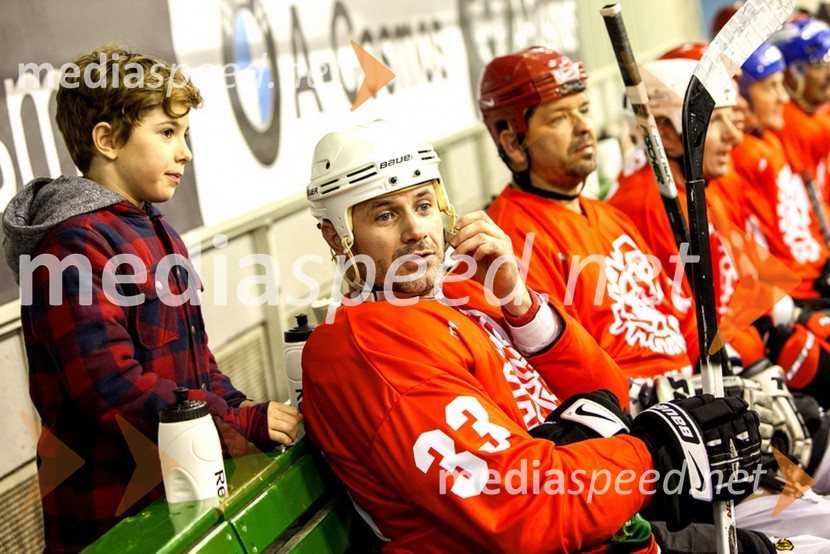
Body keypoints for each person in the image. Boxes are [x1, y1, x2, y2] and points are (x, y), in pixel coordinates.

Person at [299, 119, 766, 552]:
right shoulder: (365, 347)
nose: (417, 232)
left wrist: (520, 303)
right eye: (385, 216)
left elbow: (608, 392)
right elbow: (525, 504)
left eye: (423, 205)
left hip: (607, 526)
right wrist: (653, 456)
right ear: (335, 236)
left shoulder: (469, 289)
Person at [1, 45, 301, 551]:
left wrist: (242, 407)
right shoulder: (71, 246)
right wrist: (236, 423)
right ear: (107, 140)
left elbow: (196, 363)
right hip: (117, 519)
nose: (185, 151)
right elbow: (108, 387)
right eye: (167, 133)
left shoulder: (158, 230)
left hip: (186, 495)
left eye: (185, 134)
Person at [478, 46, 698, 398]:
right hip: (637, 422)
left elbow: (682, 314)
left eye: (584, 110)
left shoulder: (613, 218)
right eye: (560, 118)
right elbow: (560, 365)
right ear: (514, 143)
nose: (584, 127)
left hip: (691, 394)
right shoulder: (512, 239)